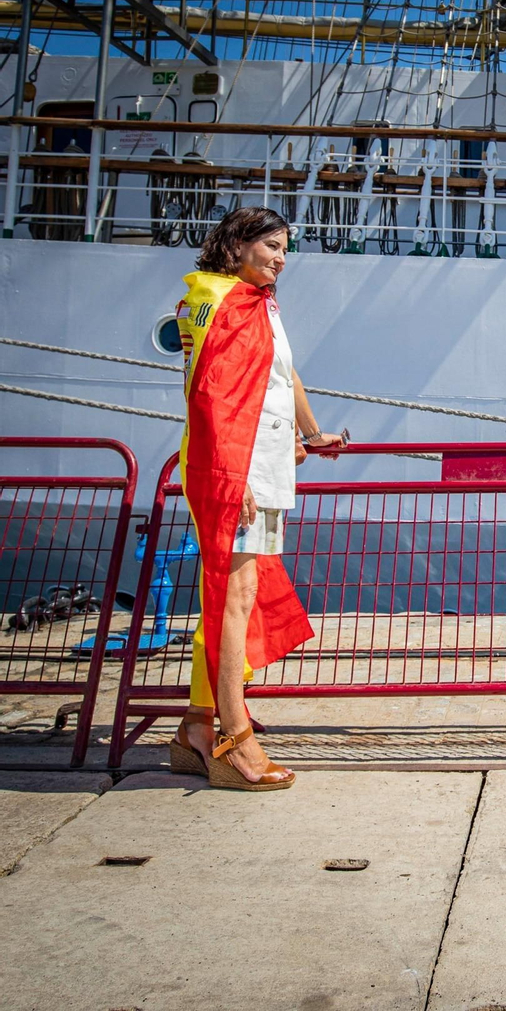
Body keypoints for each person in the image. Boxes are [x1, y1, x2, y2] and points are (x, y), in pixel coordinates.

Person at [168, 206, 346, 791]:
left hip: (258, 464)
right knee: (235, 598)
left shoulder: (253, 303)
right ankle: (234, 739)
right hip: (237, 467)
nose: (281, 258)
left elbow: (282, 375)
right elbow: (212, 397)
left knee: (231, 595)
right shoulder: (231, 304)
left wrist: (311, 434)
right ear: (238, 244)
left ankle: (196, 729)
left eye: (285, 249)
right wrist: (233, 475)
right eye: (271, 246)